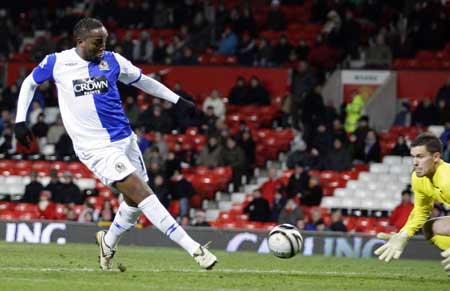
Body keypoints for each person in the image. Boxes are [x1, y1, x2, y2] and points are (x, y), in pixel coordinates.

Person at [14, 18, 217, 271]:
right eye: (97, 42)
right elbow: (29, 82)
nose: (103, 47)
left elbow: (143, 80)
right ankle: (195, 249)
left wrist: (177, 100)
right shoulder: (57, 62)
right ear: (80, 41)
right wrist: (20, 121)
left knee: (133, 203)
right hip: (95, 147)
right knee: (142, 192)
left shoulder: (113, 60)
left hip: (124, 139)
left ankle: (107, 242)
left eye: (105, 42)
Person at [374, 133, 450, 275]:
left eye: (420, 157)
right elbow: (421, 211)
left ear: (436, 157)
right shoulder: (418, 178)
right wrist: (404, 234)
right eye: (413, 156)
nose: (415, 162)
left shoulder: (447, 179)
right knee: (431, 227)